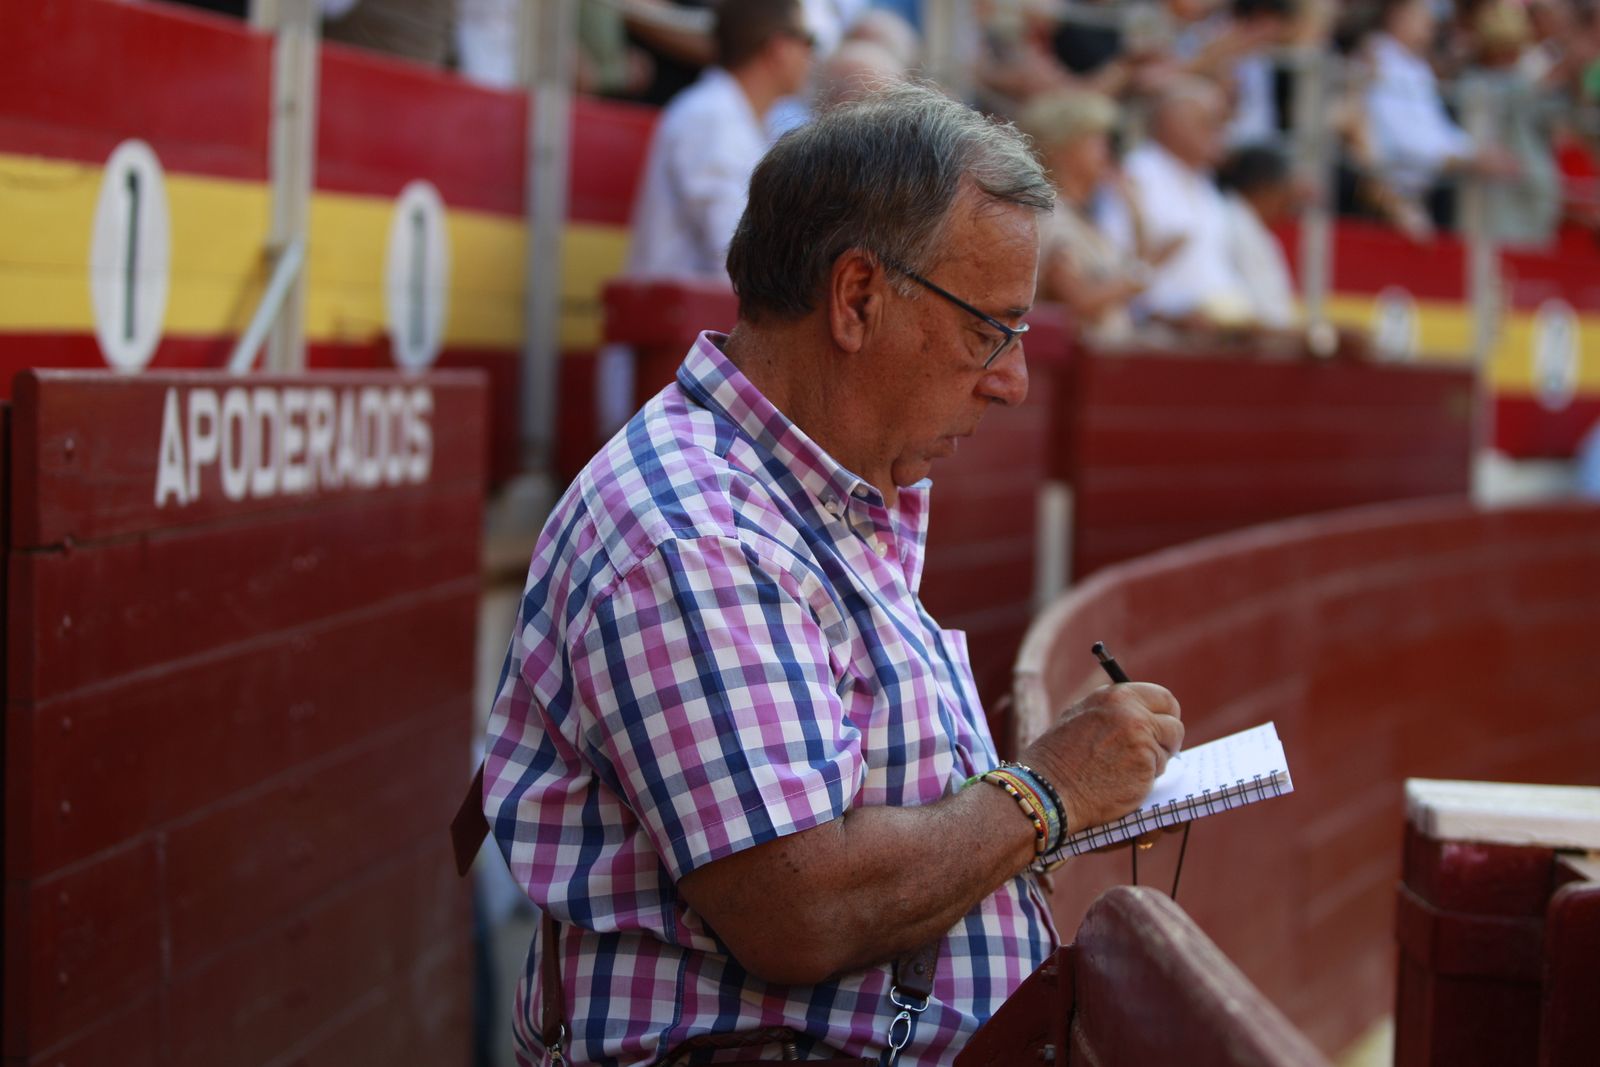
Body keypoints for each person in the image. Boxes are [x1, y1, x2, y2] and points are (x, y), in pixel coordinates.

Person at [483, 82, 1184, 1066]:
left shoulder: (821, 486)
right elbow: (800, 908)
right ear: (856, 299)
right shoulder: (701, 537)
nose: (1012, 380)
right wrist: (1047, 790)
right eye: (991, 328)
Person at [625, 0, 816, 281]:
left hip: (703, 314)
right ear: (779, 48)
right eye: (809, 40)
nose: (812, 54)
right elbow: (737, 256)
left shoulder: (749, 117)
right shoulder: (708, 117)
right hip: (679, 319)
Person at [1017, 89, 1168, 343]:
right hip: (1072, 368)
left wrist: (1137, 214)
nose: (1108, 151)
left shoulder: (1083, 216)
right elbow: (1077, 301)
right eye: (1097, 139)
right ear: (1063, 147)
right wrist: (1136, 279)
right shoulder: (1050, 216)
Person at [1121, 76, 1254, 327]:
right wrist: (1162, 314)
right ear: (1173, 124)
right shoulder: (1137, 175)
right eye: (1209, 123)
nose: (1221, 133)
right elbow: (1116, 260)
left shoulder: (1206, 183)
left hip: (1219, 327)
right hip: (1161, 329)